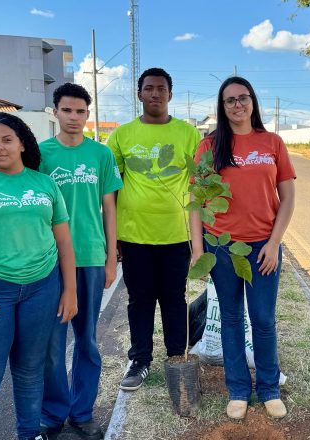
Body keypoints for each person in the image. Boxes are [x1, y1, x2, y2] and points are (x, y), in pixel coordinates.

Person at [0, 112, 78, 440]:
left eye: (7, 140)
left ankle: (29, 434)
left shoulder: (44, 183)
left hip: (42, 288)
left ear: (22, 143)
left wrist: (70, 290)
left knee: (30, 371)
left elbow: (63, 240)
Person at [189, 77, 296, 420]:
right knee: (232, 318)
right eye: (229, 100)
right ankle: (238, 389)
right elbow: (196, 201)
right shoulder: (209, 147)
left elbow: (288, 196)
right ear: (222, 107)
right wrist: (197, 251)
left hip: (263, 245)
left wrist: (274, 243)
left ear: (253, 101)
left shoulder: (272, 143)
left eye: (242, 98)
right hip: (222, 247)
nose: (237, 105)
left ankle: (268, 389)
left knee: (263, 319)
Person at [107, 67, 201, 391]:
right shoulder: (121, 136)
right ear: (139, 94)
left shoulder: (189, 134)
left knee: (174, 298)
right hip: (134, 235)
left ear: (170, 94)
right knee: (140, 299)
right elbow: (111, 188)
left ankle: (177, 356)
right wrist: (113, 236)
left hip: (177, 235)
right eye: (149, 88)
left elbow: (199, 184)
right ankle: (140, 360)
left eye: (161, 88)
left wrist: (200, 241)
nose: (155, 94)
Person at [38, 83, 123, 439]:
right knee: (53, 346)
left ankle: (82, 412)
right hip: (50, 262)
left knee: (86, 340)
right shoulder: (40, 155)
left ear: (88, 115)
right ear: (54, 111)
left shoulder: (101, 155)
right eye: (67, 110)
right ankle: (53, 413)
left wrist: (111, 257)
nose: (74, 117)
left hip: (90, 256)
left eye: (80, 111)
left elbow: (109, 208)